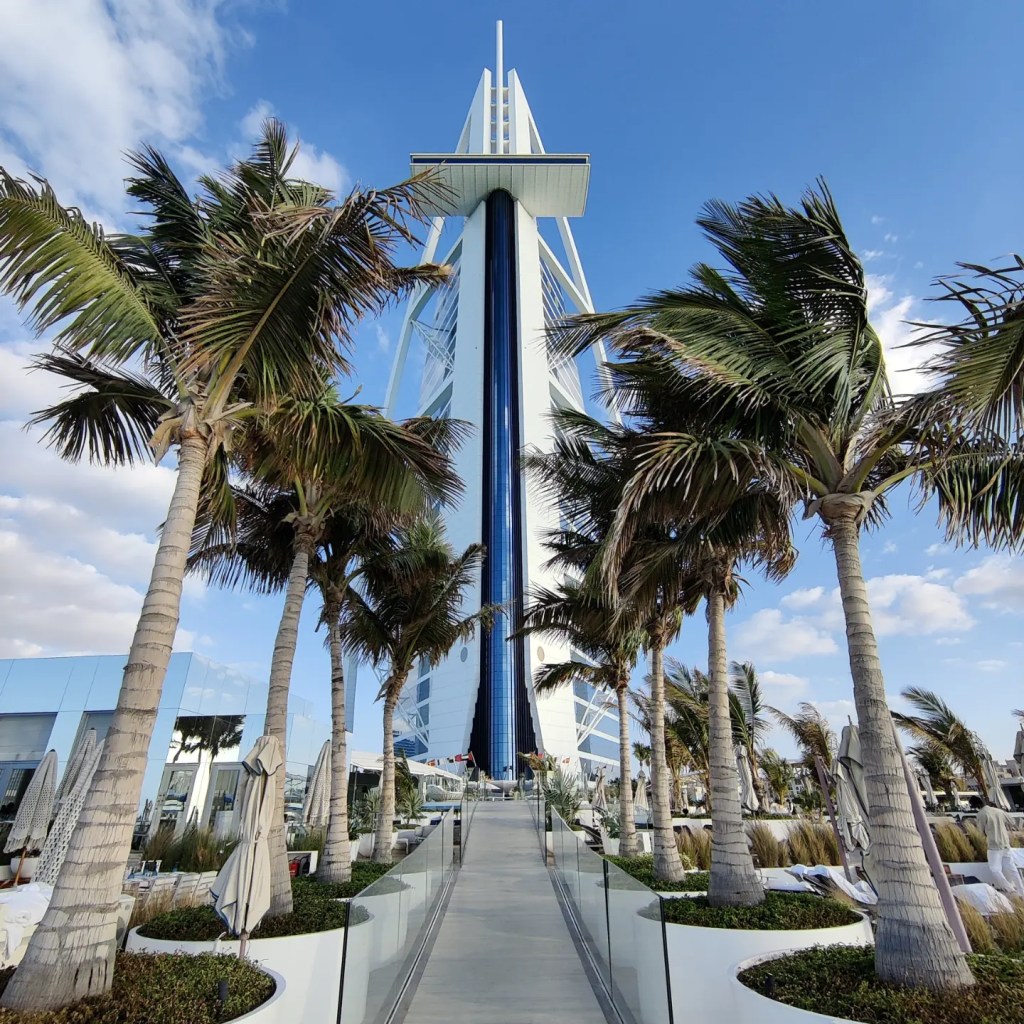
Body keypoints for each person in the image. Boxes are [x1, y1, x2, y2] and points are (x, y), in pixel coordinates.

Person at [975, 800, 1024, 897]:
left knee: (995, 869)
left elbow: (980, 832)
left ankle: (1010, 889)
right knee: (1012, 869)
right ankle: (1021, 891)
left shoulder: (982, 814)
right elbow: (1012, 821)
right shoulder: (998, 811)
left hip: (994, 845)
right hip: (1005, 843)